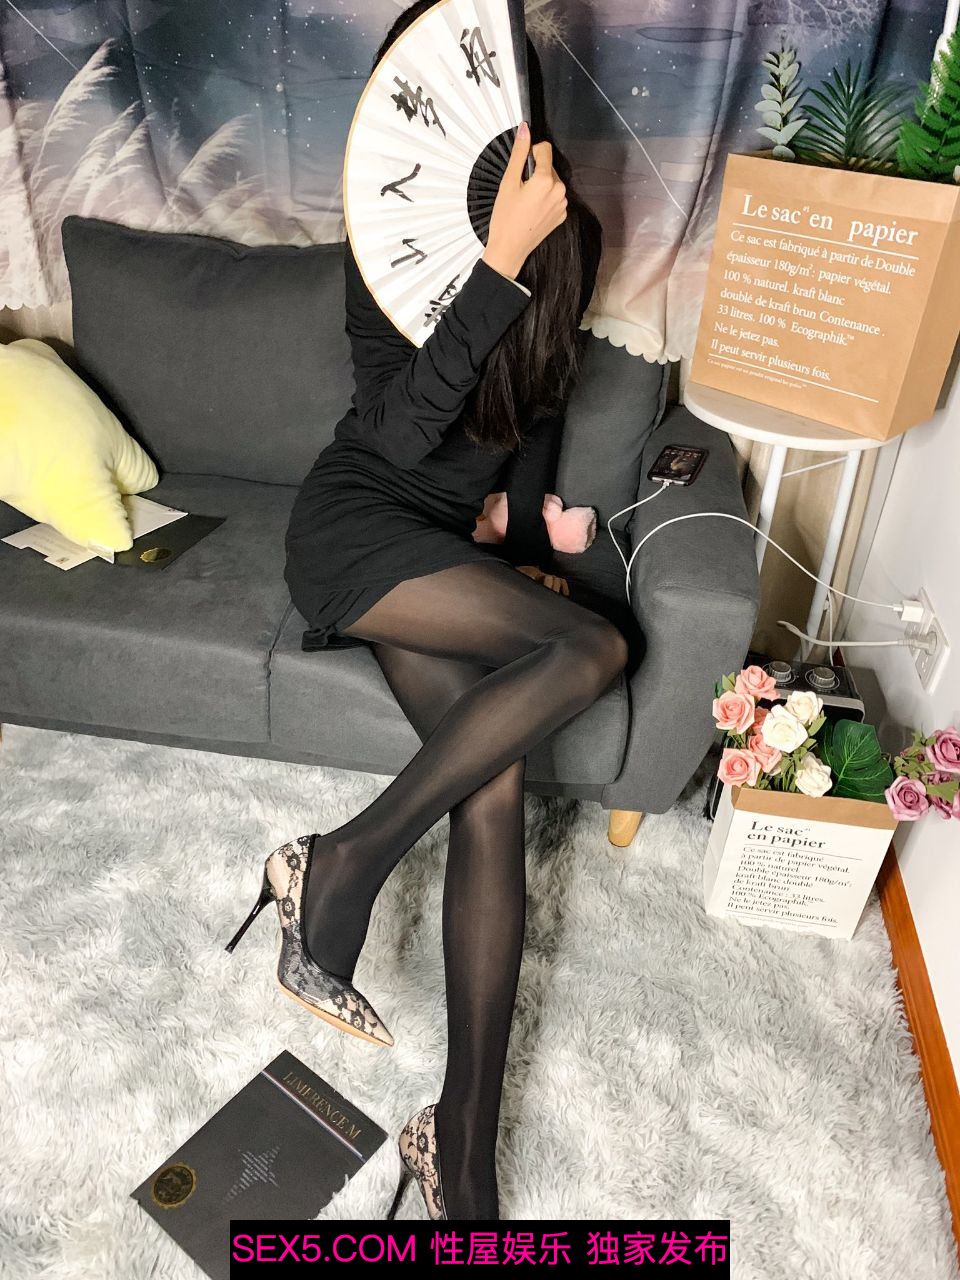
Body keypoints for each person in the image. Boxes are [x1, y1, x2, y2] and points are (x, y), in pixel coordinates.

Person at [226, 3, 630, 1221]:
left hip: (442, 550)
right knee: (599, 647)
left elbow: (539, 404)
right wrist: (495, 267)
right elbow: (399, 434)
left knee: (495, 778)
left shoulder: (568, 234)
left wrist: (519, 543)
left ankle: (462, 1148)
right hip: (355, 526)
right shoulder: (386, 241)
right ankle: (345, 862)